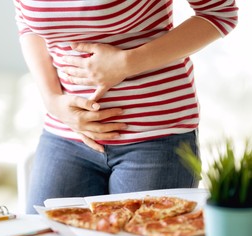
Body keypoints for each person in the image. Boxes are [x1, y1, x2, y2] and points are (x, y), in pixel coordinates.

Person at [13, 0, 238, 214]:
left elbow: (219, 13)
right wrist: (52, 100)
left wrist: (127, 63)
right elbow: (27, 23)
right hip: (65, 134)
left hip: (156, 138)